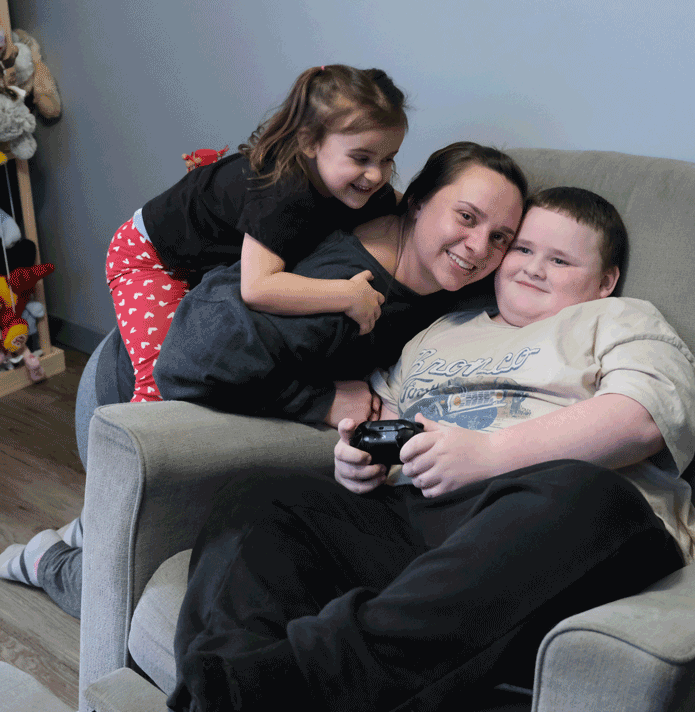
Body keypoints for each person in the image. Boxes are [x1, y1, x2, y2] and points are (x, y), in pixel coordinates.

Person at [167, 187, 695, 711]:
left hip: (559, 522)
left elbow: (642, 417)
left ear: (605, 281)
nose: (532, 267)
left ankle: (298, 684)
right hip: (423, 521)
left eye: (560, 260)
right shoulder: (442, 331)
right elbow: (380, 422)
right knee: (259, 497)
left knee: (588, 490)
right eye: (520, 249)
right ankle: (224, 686)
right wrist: (360, 461)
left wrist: (491, 455)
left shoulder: (622, 318)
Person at [0, 141, 528, 617]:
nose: (479, 247)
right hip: (139, 387)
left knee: (150, 544)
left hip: (227, 372)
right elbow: (190, 356)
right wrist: (319, 400)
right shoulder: (343, 288)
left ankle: (89, 530)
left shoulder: (445, 274)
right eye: (465, 216)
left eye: (500, 237)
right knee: (134, 588)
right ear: (416, 200)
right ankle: (47, 559)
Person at [107, 64, 408, 404]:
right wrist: (348, 295)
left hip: (207, 260)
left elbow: (408, 206)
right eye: (362, 158)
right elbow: (258, 288)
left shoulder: (358, 185)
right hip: (148, 257)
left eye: (388, 160)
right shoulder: (282, 192)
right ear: (309, 141)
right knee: (162, 382)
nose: (376, 175)